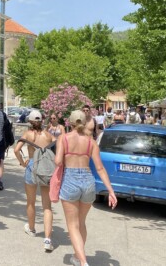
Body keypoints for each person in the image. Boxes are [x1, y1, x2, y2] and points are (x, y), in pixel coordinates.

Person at [56, 110, 117, 266]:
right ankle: (78, 258)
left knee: (72, 225)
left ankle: (83, 262)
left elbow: (58, 161)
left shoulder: (63, 138)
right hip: (88, 180)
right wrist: (111, 191)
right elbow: (100, 168)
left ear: (69, 122)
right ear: (84, 123)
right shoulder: (91, 142)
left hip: (70, 179)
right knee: (81, 222)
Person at [14, 110, 56, 251]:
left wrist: (22, 162)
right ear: (41, 121)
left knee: (31, 202)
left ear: (30, 122)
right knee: (47, 206)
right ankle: (48, 239)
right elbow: (57, 146)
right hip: (46, 167)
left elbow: (16, 150)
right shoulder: (48, 135)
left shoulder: (27, 135)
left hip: (32, 165)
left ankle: (31, 229)